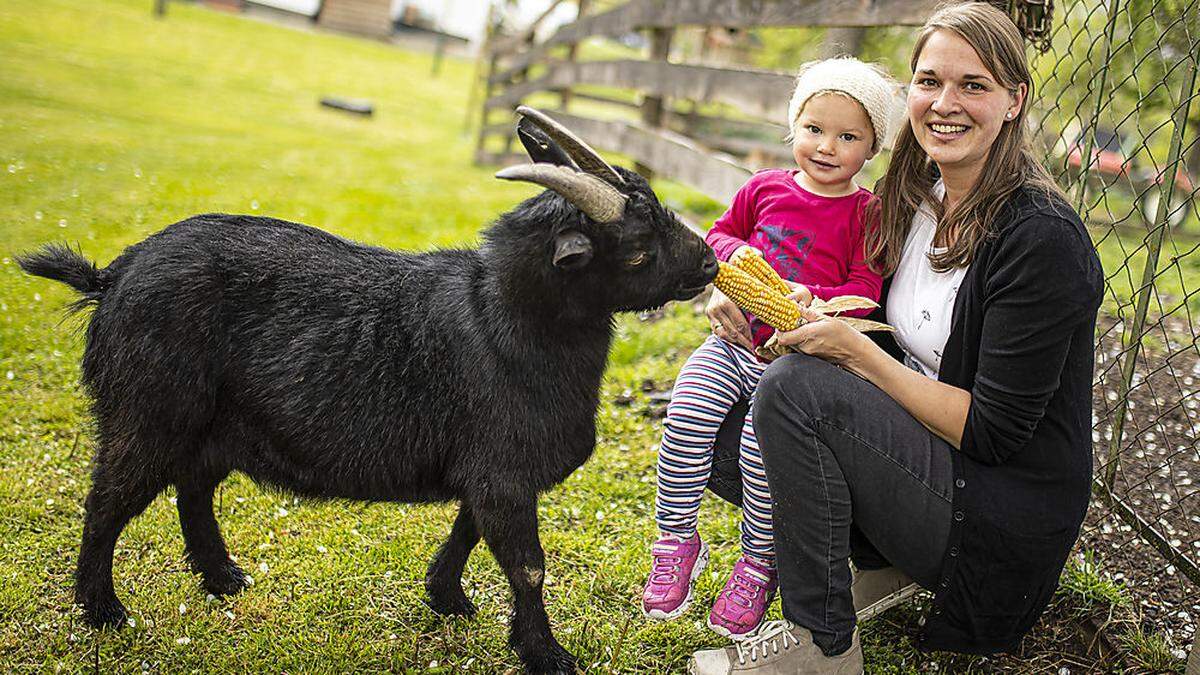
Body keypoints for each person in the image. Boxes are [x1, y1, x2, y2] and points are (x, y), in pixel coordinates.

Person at [688, 3, 1104, 673]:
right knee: (715, 409)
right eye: (929, 80)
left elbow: (993, 433)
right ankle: (884, 560)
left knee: (794, 391)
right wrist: (758, 296)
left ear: (1014, 100)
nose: (946, 103)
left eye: (974, 85)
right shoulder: (915, 198)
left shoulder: (1041, 240)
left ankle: (822, 646)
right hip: (922, 462)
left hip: (994, 512)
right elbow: (859, 307)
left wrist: (849, 352)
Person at [641, 57, 896, 638]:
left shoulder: (867, 213)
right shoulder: (764, 189)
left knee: (764, 458)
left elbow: (865, 290)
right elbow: (718, 236)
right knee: (686, 416)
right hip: (734, 343)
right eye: (814, 129)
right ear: (793, 127)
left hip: (797, 366)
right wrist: (733, 263)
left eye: (847, 136)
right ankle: (677, 538)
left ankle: (760, 562)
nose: (827, 146)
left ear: (871, 146)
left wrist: (816, 297)